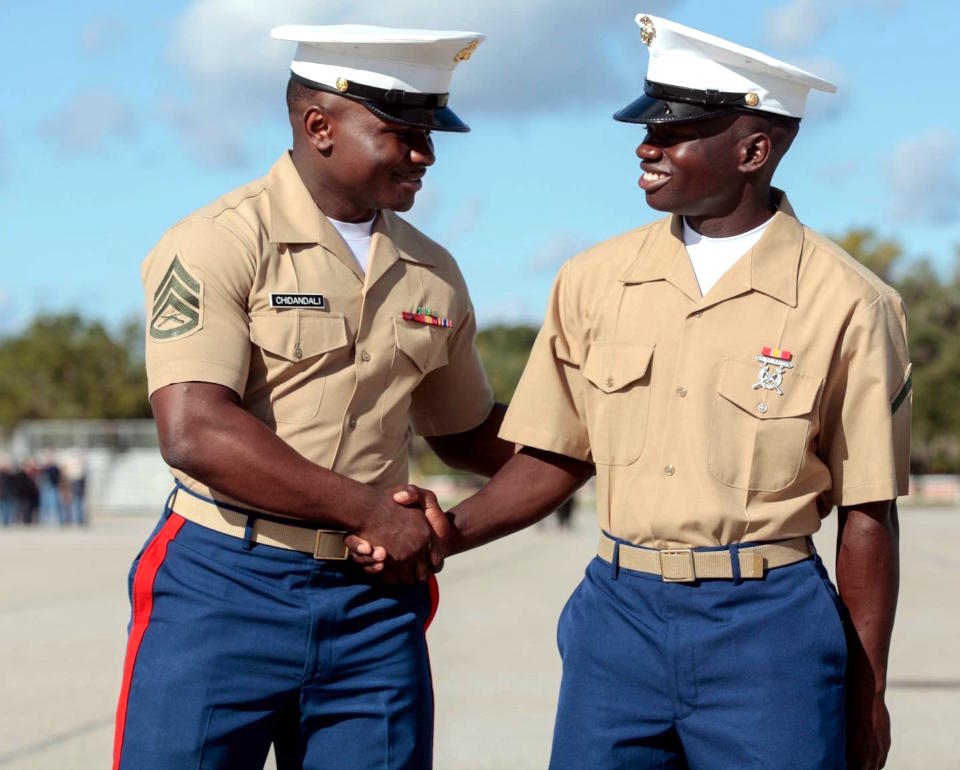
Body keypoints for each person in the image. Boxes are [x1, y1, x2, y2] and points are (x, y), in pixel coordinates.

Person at [352, 13, 909, 770]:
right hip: (619, 621)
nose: (646, 147)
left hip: (766, 628)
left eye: (675, 131)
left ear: (753, 150)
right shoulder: (593, 280)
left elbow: (869, 513)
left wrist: (866, 692)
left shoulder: (850, 304)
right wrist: (448, 530)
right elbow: (556, 455)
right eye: (647, 127)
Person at [112, 24, 513, 770]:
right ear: (318, 126)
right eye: (402, 133)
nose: (426, 155)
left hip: (372, 602)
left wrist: (595, 437)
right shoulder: (218, 242)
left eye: (430, 133)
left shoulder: (433, 271)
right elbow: (195, 429)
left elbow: (464, 431)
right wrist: (367, 511)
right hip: (224, 582)